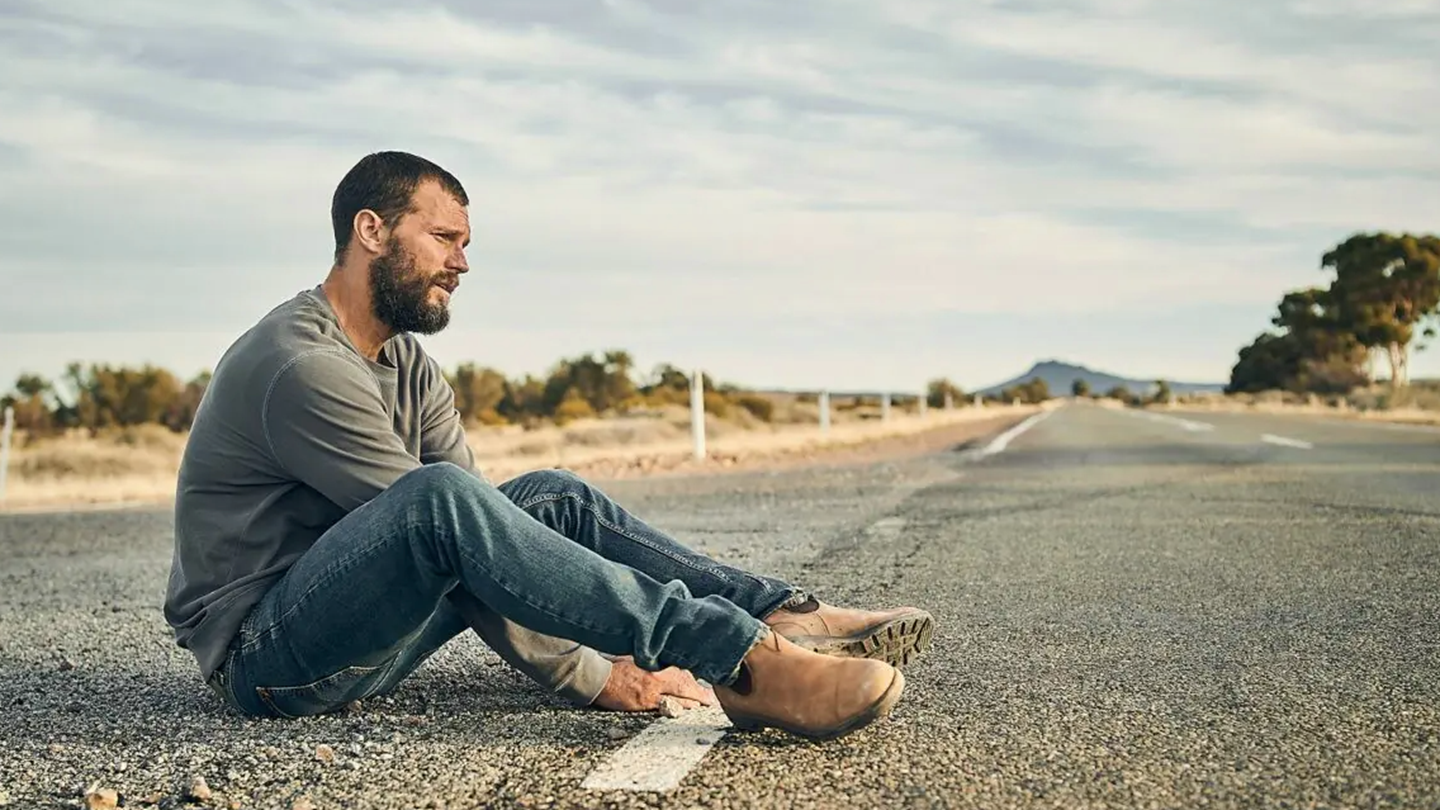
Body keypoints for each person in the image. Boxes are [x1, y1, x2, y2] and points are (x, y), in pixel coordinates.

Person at [163, 151, 935, 741]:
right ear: (371, 230)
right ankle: (741, 660)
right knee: (441, 502)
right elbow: (455, 541)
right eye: (443, 239)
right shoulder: (300, 365)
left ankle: (782, 615)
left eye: (464, 244)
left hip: (363, 627)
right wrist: (602, 676)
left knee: (547, 496)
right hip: (269, 660)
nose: (462, 263)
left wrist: (583, 642)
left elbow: (496, 535)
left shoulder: (409, 364)